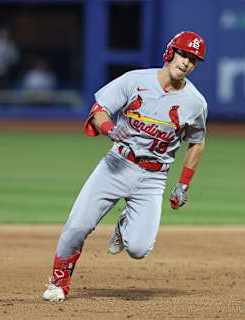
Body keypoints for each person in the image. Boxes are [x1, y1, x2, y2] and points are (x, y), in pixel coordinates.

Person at [42, 31, 207, 302]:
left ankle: (124, 224)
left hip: (154, 177)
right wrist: (109, 128)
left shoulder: (195, 102)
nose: (186, 62)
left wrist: (184, 184)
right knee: (77, 226)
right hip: (116, 165)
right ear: (170, 53)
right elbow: (98, 111)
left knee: (139, 249)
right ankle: (59, 282)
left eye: (193, 59)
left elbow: (197, 142)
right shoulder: (135, 80)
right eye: (183, 54)